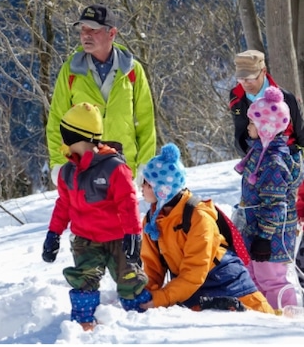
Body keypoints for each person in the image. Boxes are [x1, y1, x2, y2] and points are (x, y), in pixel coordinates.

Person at [41, 102, 151, 331]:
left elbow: (128, 203)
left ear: (75, 136)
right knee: (83, 278)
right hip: (86, 240)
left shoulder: (114, 168)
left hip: (118, 238)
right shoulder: (67, 172)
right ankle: (83, 322)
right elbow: (63, 205)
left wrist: (133, 234)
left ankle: (140, 320)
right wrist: (53, 234)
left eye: (65, 134)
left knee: (129, 279)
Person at [138, 143, 274, 314]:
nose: (141, 188)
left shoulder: (198, 217)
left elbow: (194, 271)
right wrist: (144, 295)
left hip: (228, 283)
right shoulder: (152, 220)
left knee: (266, 320)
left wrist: (160, 299)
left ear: (162, 189)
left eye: (147, 183)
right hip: (191, 289)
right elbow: (152, 268)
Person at [46, 4, 156, 180]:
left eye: (93, 29)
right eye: (83, 29)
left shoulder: (132, 70)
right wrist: (60, 165)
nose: (86, 35)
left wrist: (145, 164)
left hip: (124, 170)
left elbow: (146, 122)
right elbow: (56, 121)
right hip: (83, 172)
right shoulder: (71, 71)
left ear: (112, 33)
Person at [233, 87, 304, 310]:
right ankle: (261, 318)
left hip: (271, 234)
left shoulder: (274, 161)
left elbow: (274, 204)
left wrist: (264, 237)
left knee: (271, 278)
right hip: (255, 228)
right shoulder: (259, 152)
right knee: (253, 275)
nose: (248, 127)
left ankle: (286, 317)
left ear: (266, 127)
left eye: (252, 123)